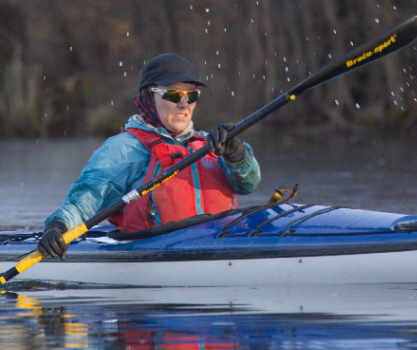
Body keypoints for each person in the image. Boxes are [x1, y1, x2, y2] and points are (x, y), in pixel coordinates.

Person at [38, 53, 261, 259]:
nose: (184, 103)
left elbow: (249, 184)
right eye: (173, 94)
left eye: (191, 95)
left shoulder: (212, 144)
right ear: (149, 96)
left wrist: (236, 154)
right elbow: (86, 201)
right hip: (156, 256)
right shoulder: (125, 148)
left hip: (223, 246)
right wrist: (58, 227)